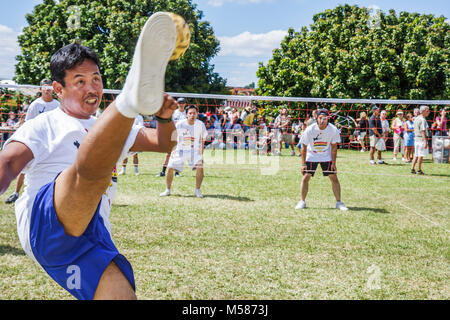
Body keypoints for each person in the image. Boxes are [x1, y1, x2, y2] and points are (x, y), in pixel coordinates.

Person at [0, 12, 180, 300]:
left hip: (92, 237)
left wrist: (164, 117)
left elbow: (163, 144)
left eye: (96, 79)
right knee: (87, 171)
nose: (92, 87)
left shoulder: (110, 128)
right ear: (58, 89)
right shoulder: (43, 125)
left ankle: (131, 99)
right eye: (79, 81)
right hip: (46, 224)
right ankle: (130, 98)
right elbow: (7, 164)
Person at [4, 79, 61, 204]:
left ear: (53, 89)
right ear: (40, 89)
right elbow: (28, 123)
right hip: (37, 141)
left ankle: (53, 194)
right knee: (25, 167)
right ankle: (16, 193)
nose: (47, 90)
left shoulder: (57, 105)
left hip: (52, 142)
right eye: (44, 87)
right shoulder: (35, 105)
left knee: (52, 168)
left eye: (49, 87)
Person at [295, 109, 348, 211]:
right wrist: (303, 164)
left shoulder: (333, 130)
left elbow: (333, 147)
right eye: (320, 118)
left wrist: (333, 163)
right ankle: (302, 201)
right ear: (317, 118)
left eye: (325, 118)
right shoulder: (310, 129)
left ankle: (339, 202)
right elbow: (304, 147)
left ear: (328, 119)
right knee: (306, 177)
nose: (322, 120)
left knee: (334, 177)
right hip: (312, 155)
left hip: (326, 156)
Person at [160, 105, 207, 198]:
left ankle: (197, 190)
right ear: (186, 114)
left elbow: (203, 139)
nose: (192, 115)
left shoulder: (200, 124)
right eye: (190, 113)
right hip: (180, 149)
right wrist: (172, 150)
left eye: (194, 113)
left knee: (200, 167)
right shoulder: (180, 124)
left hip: (194, 150)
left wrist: (201, 152)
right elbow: (173, 137)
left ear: (197, 114)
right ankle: (167, 190)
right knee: (170, 168)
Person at [156, 97, 186, 177]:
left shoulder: (187, 113)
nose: (181, 104)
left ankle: (177, 173)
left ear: (185, 104)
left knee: (179, 154)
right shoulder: (174, 113)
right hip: (173, 135)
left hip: (183, 136)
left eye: (182, 103)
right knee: (168, 154)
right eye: (179, 103)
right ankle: (163, 171)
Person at [411, 105, 430, 175]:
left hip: (416, 139)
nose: (429, 112)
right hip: (421, 139)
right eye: (427, 111)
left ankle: (412, 169)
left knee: (416, 154)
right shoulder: (422, 119)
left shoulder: (416, 118)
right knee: (420, 155)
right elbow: (422, 131)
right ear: (423, 111)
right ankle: (419, 170)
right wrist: (425, 141)